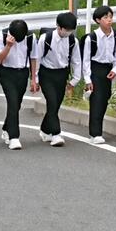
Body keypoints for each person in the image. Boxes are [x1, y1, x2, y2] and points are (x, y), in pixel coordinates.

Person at [35, 12, 80, 147]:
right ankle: (56, 134)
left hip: (62, 74)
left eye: (71, 30)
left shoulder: (73, 41)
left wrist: (75, 80)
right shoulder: (46, 38)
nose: (68, 33)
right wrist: (35, 79)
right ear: (58, 27)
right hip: (46, 73)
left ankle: (45, 130)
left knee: (55, 105)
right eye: (66, 30)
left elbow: (76, 61)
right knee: (52, 101)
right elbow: (37, 59)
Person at [0, 19, 39, 150]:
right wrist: (8, 46)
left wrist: (34, 79)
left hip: (23, 72)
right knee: (12, 102)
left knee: (17, 104)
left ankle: (6, 128)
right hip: (6, 72)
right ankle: (14, 137)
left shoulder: (30, 37)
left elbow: (33, 57)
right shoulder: (0, 36)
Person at [82, 6, 116, 144]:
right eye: (105, 17)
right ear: (98, 20)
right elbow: (86, 60)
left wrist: (115, 69)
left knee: (105, 99)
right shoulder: (91, 38)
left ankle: (98, 129)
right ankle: (95, 133)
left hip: (108, 69)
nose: (109, 20)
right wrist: (88, 79)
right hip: (95, 69)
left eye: (110, 17)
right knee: (96, 100)